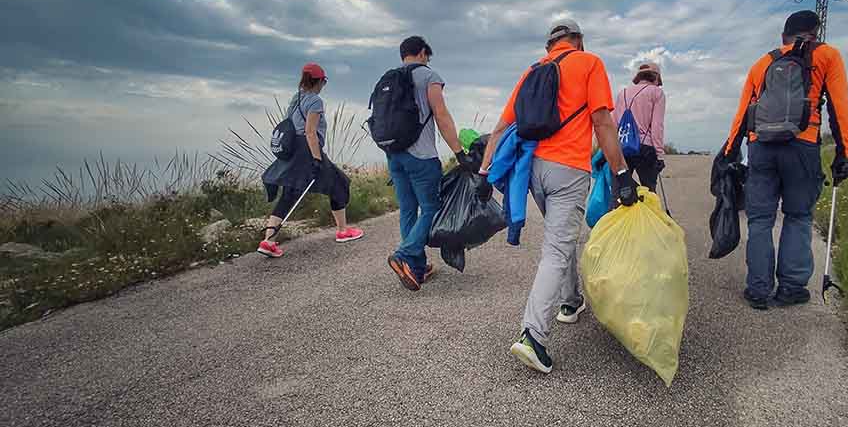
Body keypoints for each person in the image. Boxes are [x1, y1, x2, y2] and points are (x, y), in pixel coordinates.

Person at [479, 19, 637, 374]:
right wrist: (621, 171)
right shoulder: (590, 62)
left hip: (532, 169)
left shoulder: (533, 71)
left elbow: (502, 126)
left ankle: (571, 301)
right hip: (568, 169)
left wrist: (484, 172)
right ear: (577, 40)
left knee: (561, 238)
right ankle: (533, 336)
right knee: (557, 246)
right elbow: (602, 120)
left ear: (550, 45)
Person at [720, 10, 848, 310]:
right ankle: (791, 288)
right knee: (798, 216)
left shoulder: (762, 63)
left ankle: (757, 290)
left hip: (761, 148)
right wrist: (846, 153)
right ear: (814, 33)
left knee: (760, 220)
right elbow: (839, 107)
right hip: (802, 146)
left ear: (783, 36)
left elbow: (743, 114)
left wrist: (730, 151)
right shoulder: (827, 56)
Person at [385, 36, 477, 290]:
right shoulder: (429, 76)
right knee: (430, 207)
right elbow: (442, 116)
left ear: (403, 54)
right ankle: (404, 254)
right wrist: (459, 152)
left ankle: (416, 267)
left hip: (394, 155)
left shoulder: (389, 78)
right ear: (423, 52)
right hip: (421, 156)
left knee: (407, 209)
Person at [258, 63, 364, 258]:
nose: (324, 85)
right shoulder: (315, 101)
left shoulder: (296, 97)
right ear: (319, 81)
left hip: (292, 152)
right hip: (307, 151)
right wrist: (316, 159)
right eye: (323, 81)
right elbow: (310, 132)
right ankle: (343, 231)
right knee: (340, 183)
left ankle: (268, 241)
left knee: (289, 194)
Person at [612, 62, 667, 195]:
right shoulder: (657, 93)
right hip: (645, 148)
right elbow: (656, 126)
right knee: (649, 192)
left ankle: (617, 214)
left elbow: (614, 123)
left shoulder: (622, 93)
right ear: (656, 78)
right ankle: (648, 215)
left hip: (622, 148)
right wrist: (659, 154)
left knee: (620, 192)